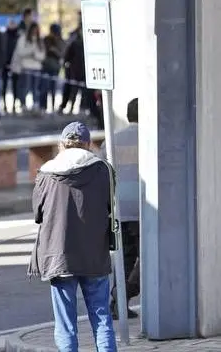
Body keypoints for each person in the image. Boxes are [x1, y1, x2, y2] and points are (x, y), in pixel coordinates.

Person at [29, 122, 117, 351]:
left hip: (59, 255)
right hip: (95, 254)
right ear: (88, 145)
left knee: (65, 324)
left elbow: (37, 213)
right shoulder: (103, 169)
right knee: (102, 318)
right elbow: (111, 206)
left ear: (61, 145)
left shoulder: (46, 172)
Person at [100, 98, 140, 320]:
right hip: (144, 209)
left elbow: (101, 171)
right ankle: (125, 293)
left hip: (118, 208)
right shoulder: (150, 138)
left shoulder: (112, 140)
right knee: (147, 259)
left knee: (124, 257)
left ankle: (118, 303)